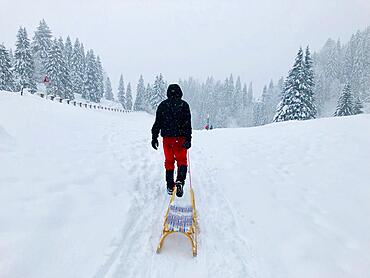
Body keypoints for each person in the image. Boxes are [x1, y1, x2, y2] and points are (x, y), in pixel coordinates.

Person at [151, 84, 192, 197]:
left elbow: (157, 123)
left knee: (169, 161)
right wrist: (188, 139)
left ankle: (170, 185)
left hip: (167, 140)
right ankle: (180, 181)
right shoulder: (184, 105)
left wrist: (154, 137)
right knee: (182, 161)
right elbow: (188, 124)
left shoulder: (163, 105)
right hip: (181, 139)